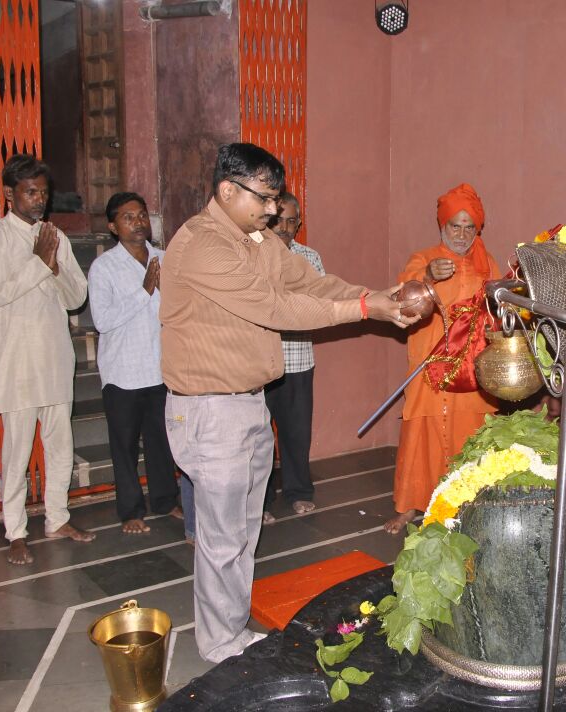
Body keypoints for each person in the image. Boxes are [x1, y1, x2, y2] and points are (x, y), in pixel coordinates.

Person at [160, 142, 419, 663]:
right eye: (266, 198)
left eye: (277, 199)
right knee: (223, 536)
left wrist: (377, 295)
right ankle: (219, 642)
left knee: (243, 531)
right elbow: (276, 306)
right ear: (227, 190)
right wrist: (366, 308)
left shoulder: (254, 236)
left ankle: (229, 626)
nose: (275, 210)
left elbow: (308, 280)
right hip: (211, 410)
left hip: (248, 404)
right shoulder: (202, 244)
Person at [0, 154, 96, 565]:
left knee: (61, 444)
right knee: (17, 451)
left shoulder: (54, 236)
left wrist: (53, 263)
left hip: (53, 357)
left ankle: (57, 517)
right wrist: (37, 263)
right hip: (15, 362)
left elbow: (76, 297)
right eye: (30, 192)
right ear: (10, 194)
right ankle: (15, 530)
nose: (38, 199)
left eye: (43, 192)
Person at [385, 183, 501, 534]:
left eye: (470, 227)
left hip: (469, 372)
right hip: (429, 366)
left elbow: (500, 311)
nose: (462, 234)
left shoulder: (486, 264)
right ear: (442, 227)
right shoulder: (423, 259)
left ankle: (469, 502)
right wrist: (426, 278)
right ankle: (410, 506)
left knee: (472, 432)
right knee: (421, 432)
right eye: (456, 226)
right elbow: (401, 298)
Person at [88, 192, 183, 535]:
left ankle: (165, 500)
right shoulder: (104, 267)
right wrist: (143, 290)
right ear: (113, 227)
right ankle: (130, 510)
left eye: (142, 215)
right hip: (122, 373)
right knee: (124, 446)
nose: (138, 222)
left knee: (162, 440)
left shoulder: (164, 257)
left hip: (159, 367)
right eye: (128, 218)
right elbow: (103, 320)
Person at [261, 193, 320, 525]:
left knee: (296, 433)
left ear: (299, 223)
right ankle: (263, 500)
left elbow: (317, 306)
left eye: (291, 221)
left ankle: (298, 493)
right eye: (278, 220)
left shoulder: (310, 257)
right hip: (261, 363)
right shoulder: (255, 256)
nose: (284, 227)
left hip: (298, 362)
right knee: (259, 438)